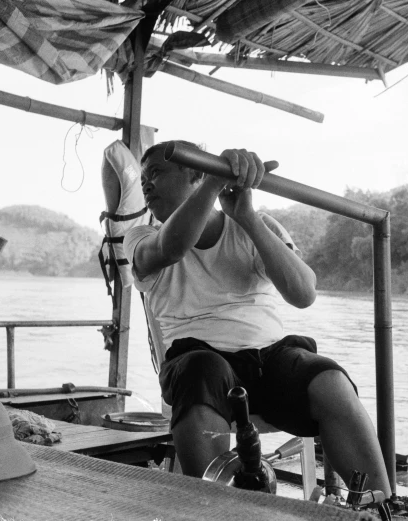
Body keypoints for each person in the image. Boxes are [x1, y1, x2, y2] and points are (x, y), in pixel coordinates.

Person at [123, 141, 392, 497]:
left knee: (327, 376)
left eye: (155, 172)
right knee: (202, 369)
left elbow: (303, 293)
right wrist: (214, 183)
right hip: (200, 364)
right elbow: (170, 249)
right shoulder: (142, 235)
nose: (145, 185)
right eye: (142, 177)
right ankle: (215, 509)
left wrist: (247, 217)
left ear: (193, 172)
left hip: (271, 359)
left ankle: (382, 505)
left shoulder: (256, 225)